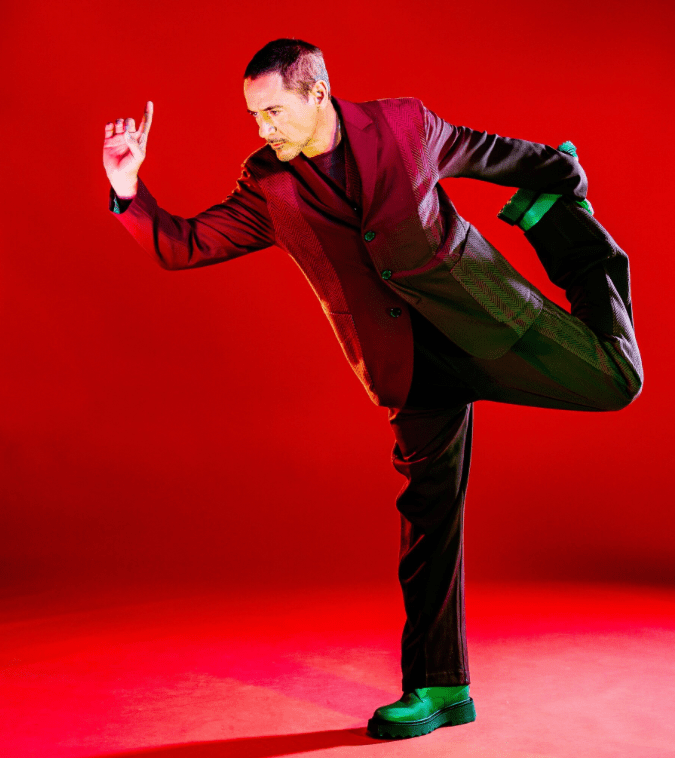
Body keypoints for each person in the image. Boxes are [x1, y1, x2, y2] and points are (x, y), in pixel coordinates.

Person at [103, 38, 643, 740]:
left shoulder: (402, 126)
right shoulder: (268, 185)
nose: (262, 128)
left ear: (316, 94)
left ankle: (556, 227)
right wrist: (127, 189)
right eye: (254, 115)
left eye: (273, 111)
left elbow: (488, 153)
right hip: (407, 365)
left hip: (485, 317)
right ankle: (439, 686)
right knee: (428, 522)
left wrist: (561, 180)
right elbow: (184, 245)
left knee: (617, 380)